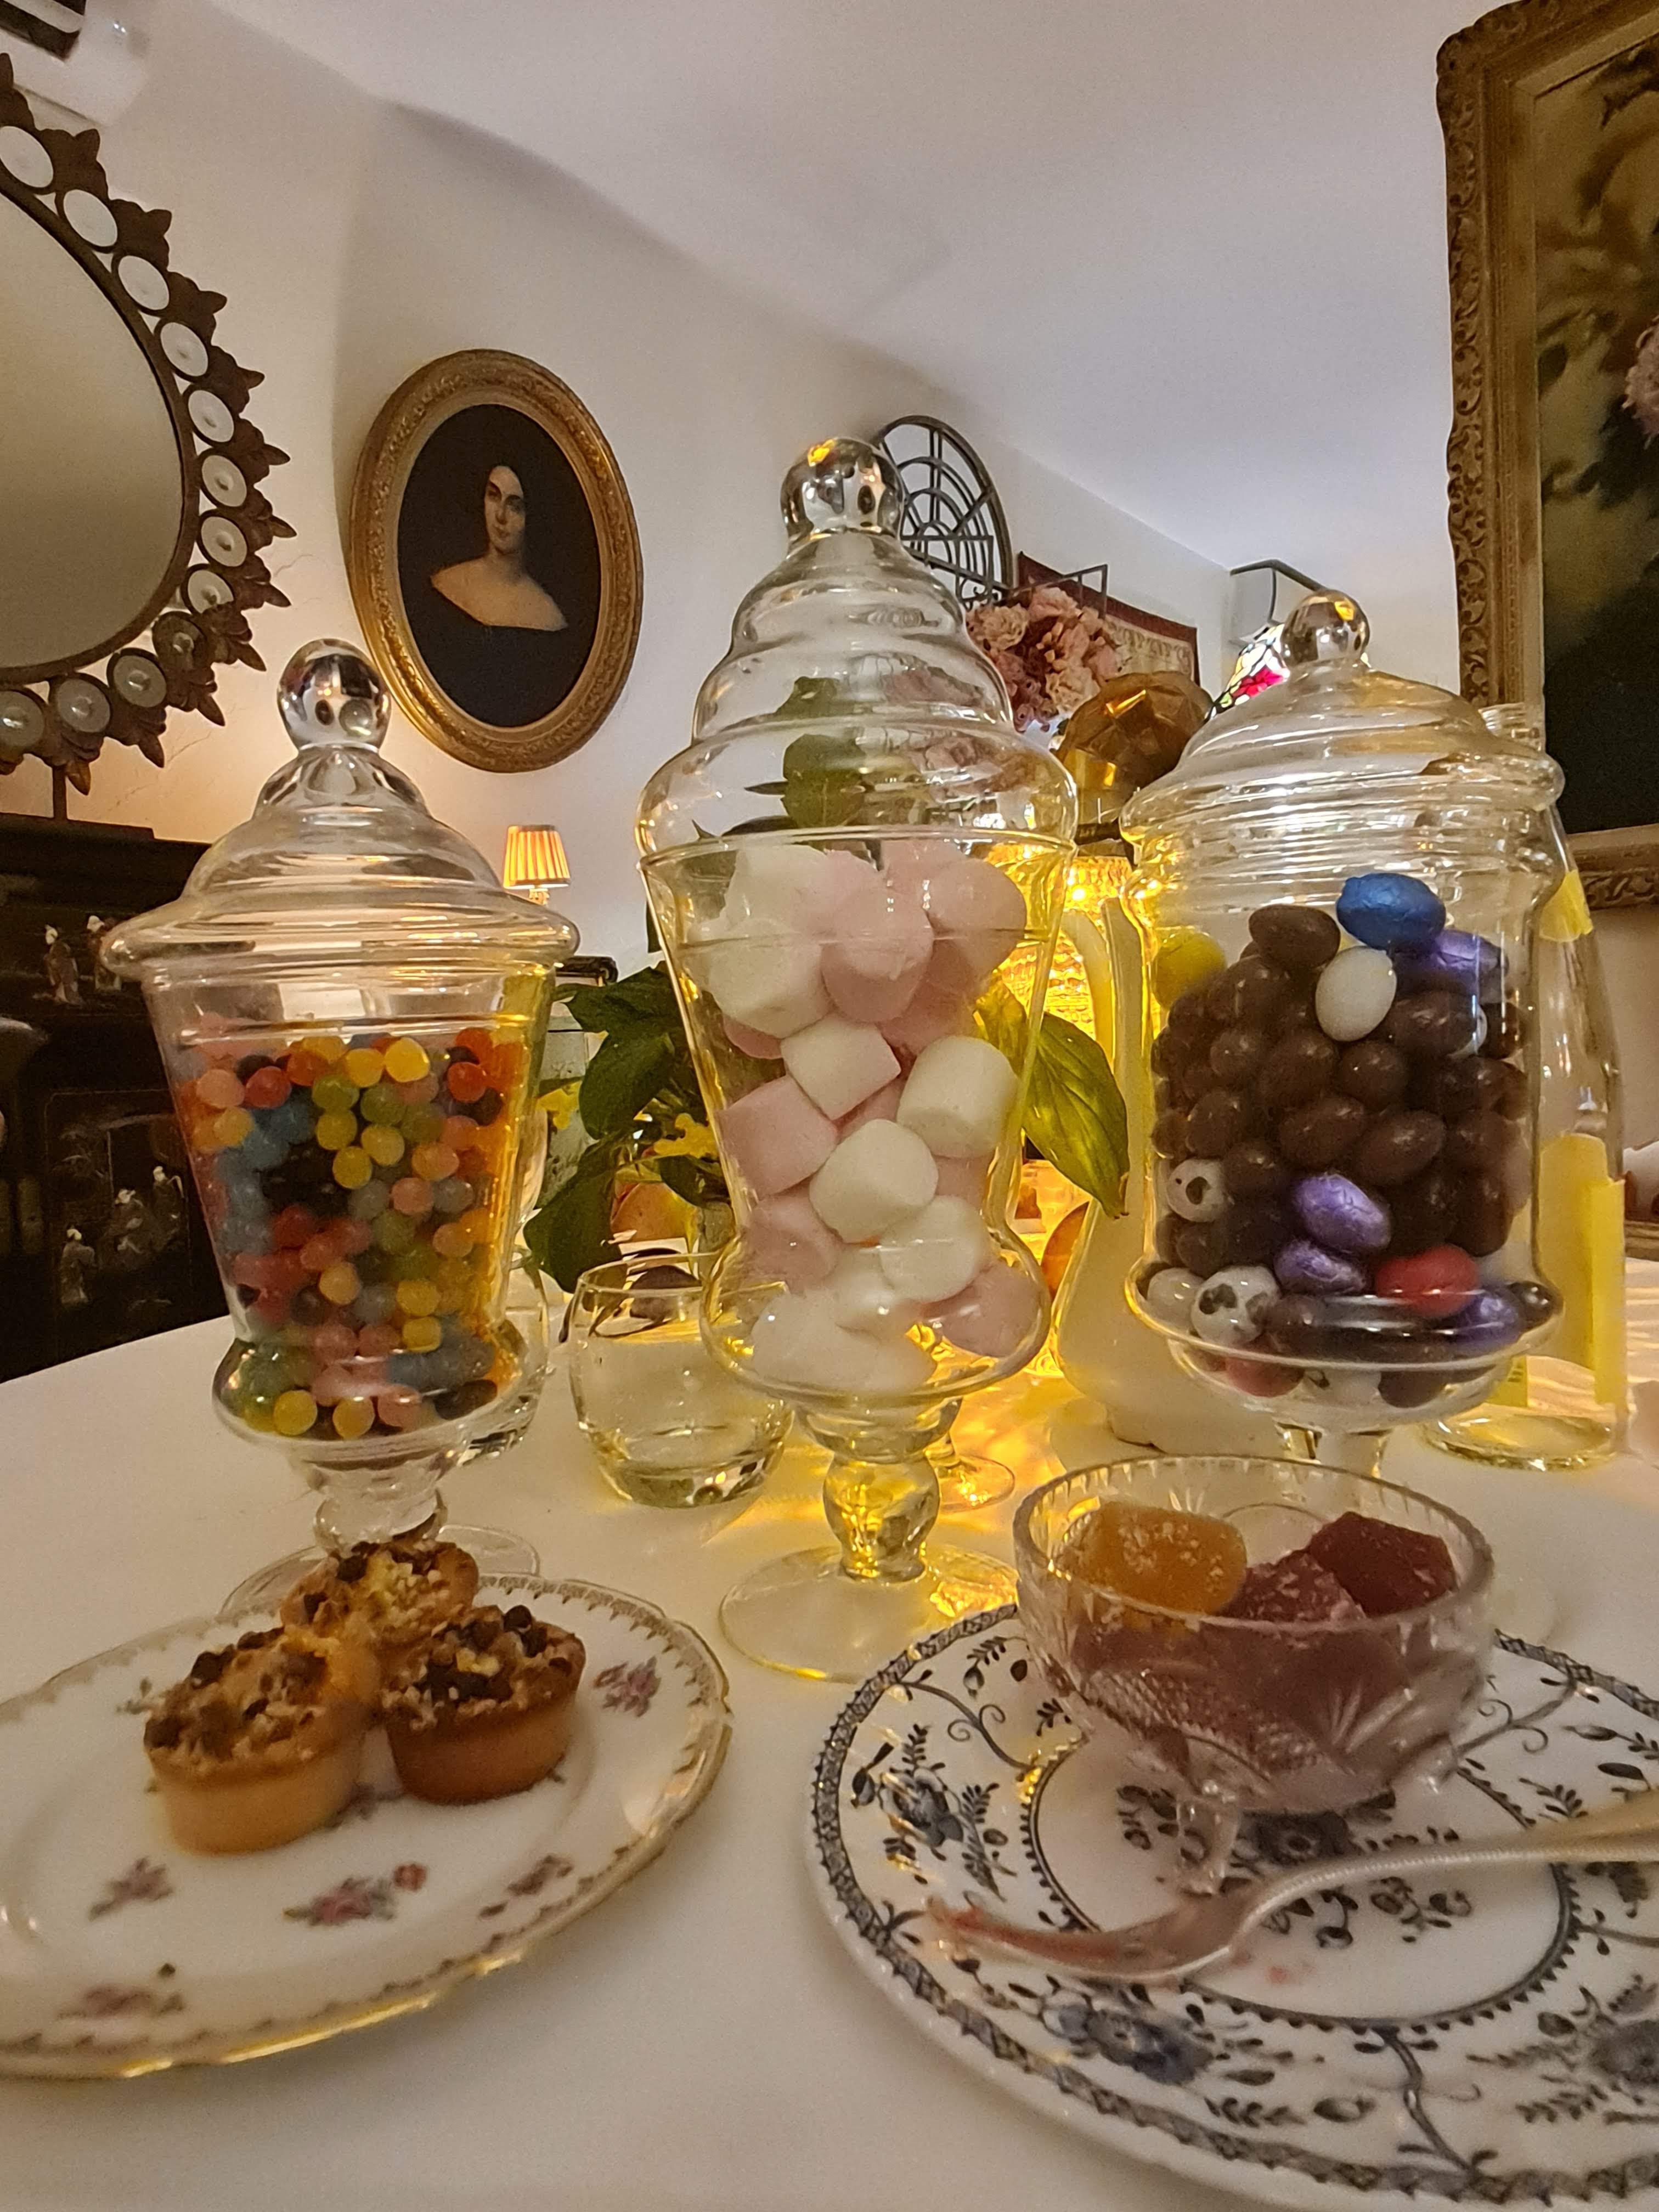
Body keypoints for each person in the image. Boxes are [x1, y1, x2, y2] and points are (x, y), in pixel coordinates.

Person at [431, 466, 566, 635]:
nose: (500, 515)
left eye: (515, 507)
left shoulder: (548, 616)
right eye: (493, 496)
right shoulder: (446, 583)